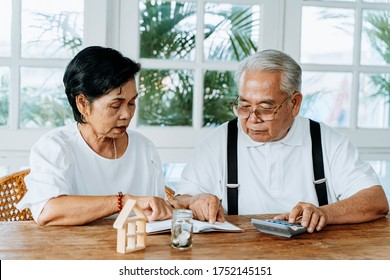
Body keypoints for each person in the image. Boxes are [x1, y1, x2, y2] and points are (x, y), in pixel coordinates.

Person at [172, 49, 389, 233]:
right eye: (244, 105)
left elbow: (376, 201)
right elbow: (179, 199)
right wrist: (195, 200)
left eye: (266, 108)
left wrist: (324, 212)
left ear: (294, 103)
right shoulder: (218, 142)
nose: (252, 119)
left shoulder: (328, 142)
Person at [17, 46, 173, 226]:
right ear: (82, 103)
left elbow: (158, 214)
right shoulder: (55, 147)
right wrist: (123, 202)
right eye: (115, 106)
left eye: (131, 103)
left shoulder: (144, 148)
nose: (127, 115)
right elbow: (48, 211)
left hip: (133, 251)